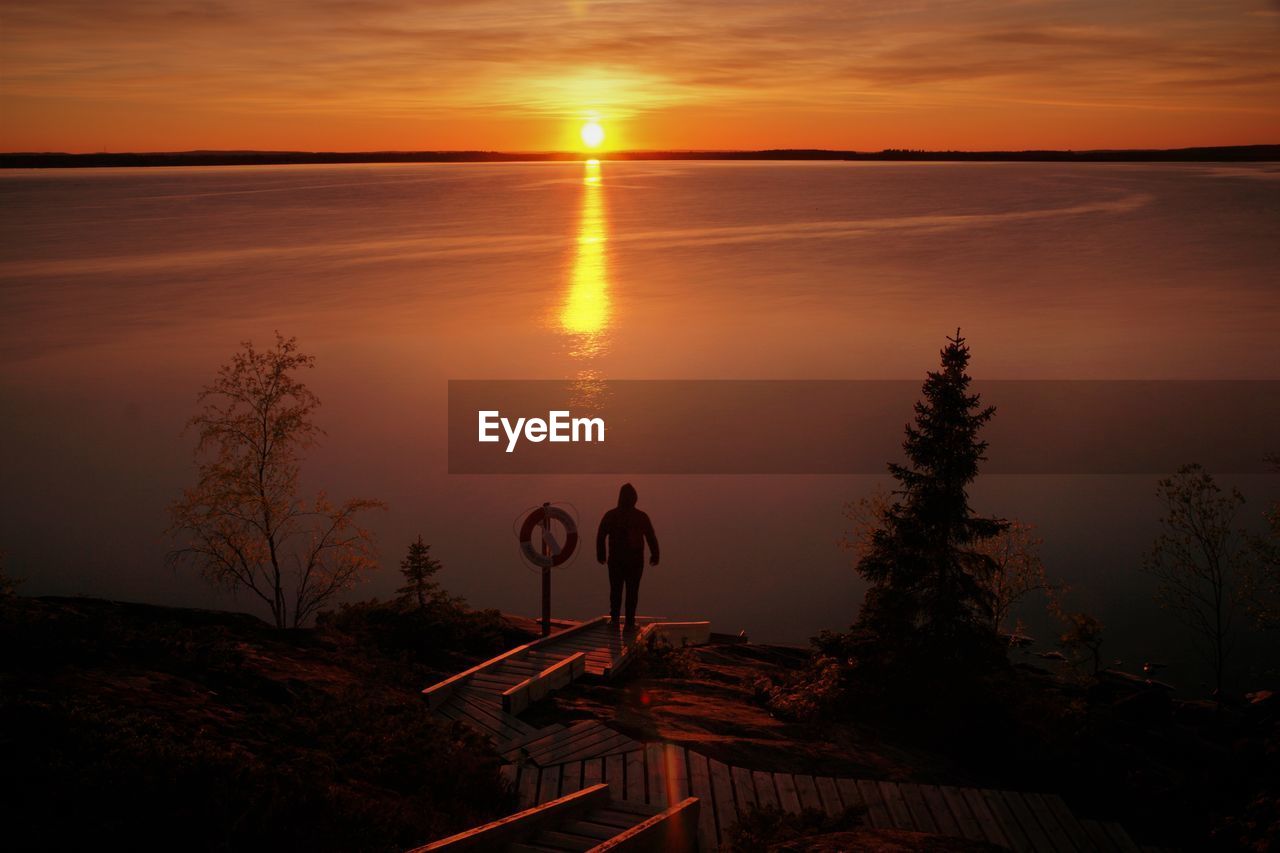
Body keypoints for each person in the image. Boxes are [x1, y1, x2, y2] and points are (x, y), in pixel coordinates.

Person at [596, 482, 659, 630]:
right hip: (634, 561)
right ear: (634, 498)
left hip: (616, 560)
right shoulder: (641, 516)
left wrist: (601, 554)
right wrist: (655, 555)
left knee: (616, 590)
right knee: (632, 592)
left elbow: (600, 536)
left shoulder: (610, 515)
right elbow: (651, 537)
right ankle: (629, 622)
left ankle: (615, 620)